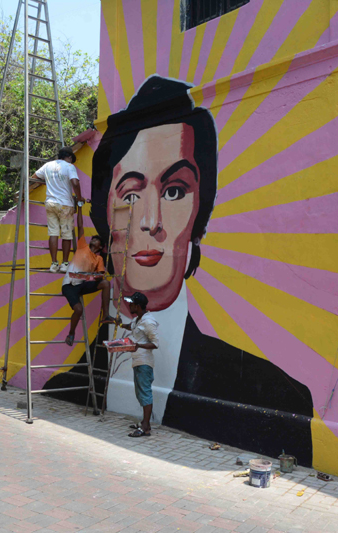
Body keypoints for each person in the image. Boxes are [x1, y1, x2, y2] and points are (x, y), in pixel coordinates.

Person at [73, 75, 314, 463]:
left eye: (174, 192)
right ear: (104, 216)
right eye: (131, 196)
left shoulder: (279, 399)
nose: (151, 222)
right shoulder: (67, 381)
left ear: (200, 216)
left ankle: (144, 424)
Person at [61, 205, 114, 346]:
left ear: (100, 247)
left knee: (106, 283)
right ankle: (71, 333)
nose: (93, 240)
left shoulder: (98, 259)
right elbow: (80, 225)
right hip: (69, 285)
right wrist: (79, 208)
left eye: (96, 240)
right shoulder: (82, 246)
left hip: (82, 283)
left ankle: (105, 315)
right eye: (93, 239)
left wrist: (93, 276)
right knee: (78, 309)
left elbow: (100, 275)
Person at [33, 147, 85, 273]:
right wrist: (79, 198)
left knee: (53, 234)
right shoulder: (69, 166)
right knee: (66, 234)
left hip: (50, 203)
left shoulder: (48, 165)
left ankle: (54, 264)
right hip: (65, 205)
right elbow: (75, 183)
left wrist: (49, 182)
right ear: (69, 157)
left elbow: (34, 177)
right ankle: (65, 264)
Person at [115, 292, 159, 437]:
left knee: (145, 393)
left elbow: (155, 343)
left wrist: (138, 345)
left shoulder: (148, 322)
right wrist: (120, 324)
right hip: (138, 361)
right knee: (141, 393)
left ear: (138, 306)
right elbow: (131, 326)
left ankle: (145, 427)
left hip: (144, 363)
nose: (129, 305)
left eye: (132, 304)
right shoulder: (138, 319)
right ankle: (145, 423)